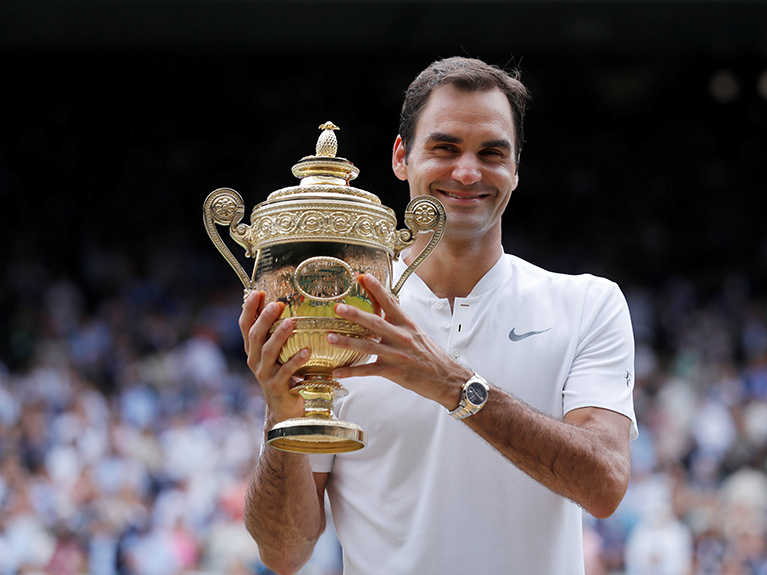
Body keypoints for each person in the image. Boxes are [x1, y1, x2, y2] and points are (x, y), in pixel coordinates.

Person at [239, 56, 638, 575]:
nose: (467, 172)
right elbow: (284, 553)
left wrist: (453, 385)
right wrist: (281, 413)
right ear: (401, 157)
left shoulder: (587, 304)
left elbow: (604, 486)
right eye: (445, 148)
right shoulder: (337, 314)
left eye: (492, 153)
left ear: (516, 169)